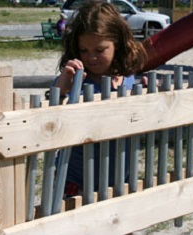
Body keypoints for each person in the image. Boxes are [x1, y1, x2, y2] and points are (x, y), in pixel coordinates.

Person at [53, 1, 148, 197]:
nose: (91, 57)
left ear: (118, 44)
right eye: (84, 50)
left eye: (99, 50)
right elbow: (50, 118)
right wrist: (61, 89)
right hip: (76, 180)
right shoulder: (73, 80)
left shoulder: (130, 80)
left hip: (121, 180)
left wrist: (151, 95)